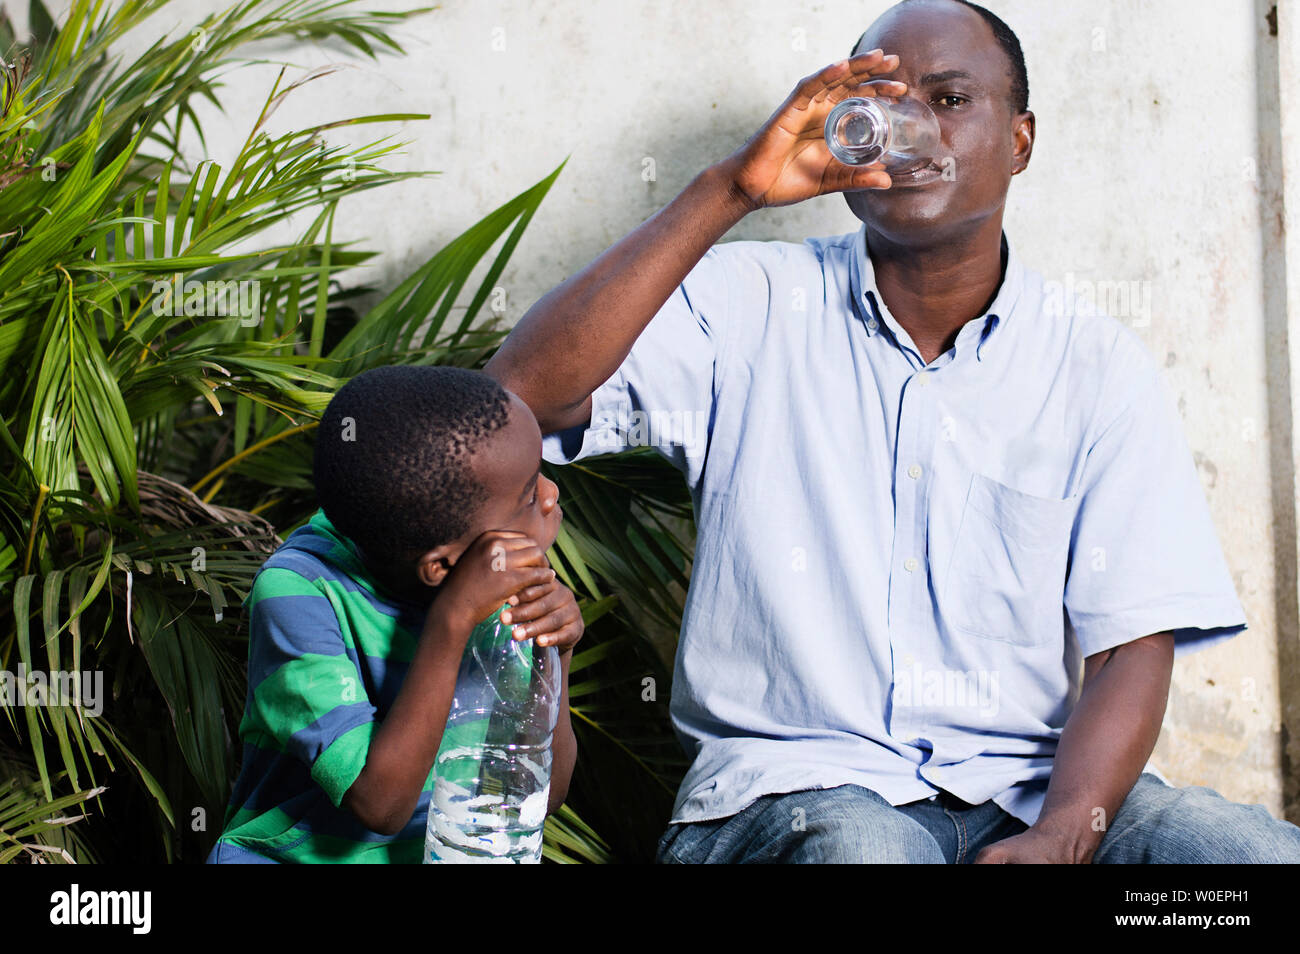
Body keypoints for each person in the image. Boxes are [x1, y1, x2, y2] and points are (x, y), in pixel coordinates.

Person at [484, 0, 1300, 862]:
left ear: (1020, 141)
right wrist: (732, 191)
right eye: (882, 102)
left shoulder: (1096, 367)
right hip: (792, 796)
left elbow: (1133, 642)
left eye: (949, 101)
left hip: (1026, 791)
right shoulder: (746, 303)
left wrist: (1066, 833)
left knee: (1243, 857)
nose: (913, 130)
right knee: (867, 851)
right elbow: (515, 401)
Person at [207, 365, 581, 863]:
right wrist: (452, 620)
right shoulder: (299, 594)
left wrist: (556, 652)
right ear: (443, 565)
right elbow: (380, 806)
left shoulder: (491, 577)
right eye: (528, 495)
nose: (552, 493)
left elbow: (539, 798)